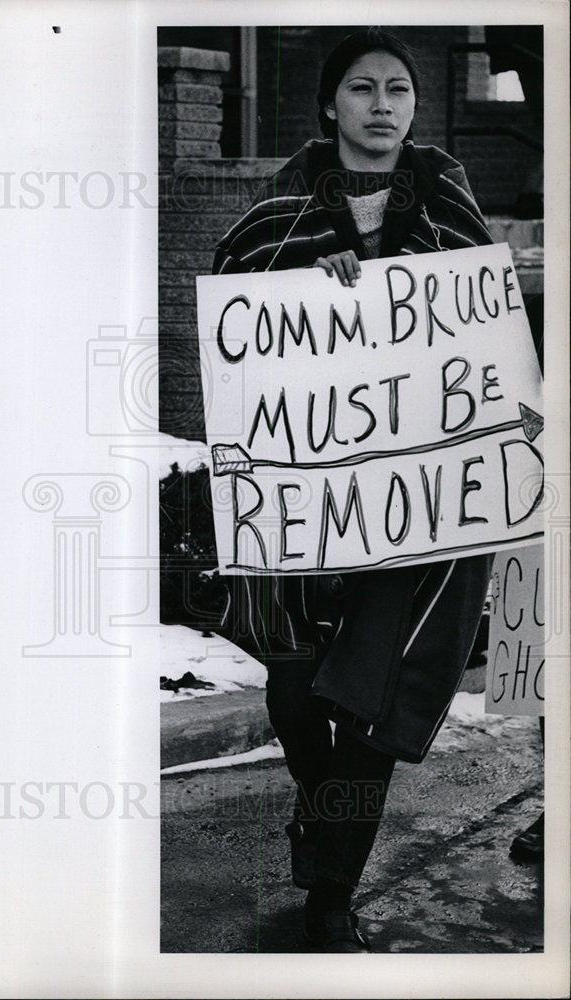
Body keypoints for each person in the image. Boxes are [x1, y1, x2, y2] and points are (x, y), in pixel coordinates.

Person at [212, 28, 495, 952]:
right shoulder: (279, 210)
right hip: (305, 499)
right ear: (330, 104)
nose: (383, 105)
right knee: (298, 697)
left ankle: (332, 890)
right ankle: (315, 808)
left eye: (400, 90)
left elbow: (480, 330)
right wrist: (309, 288)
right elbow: (236, 324)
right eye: (364, 89)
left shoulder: (447, 195)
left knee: (372, 695)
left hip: (409, 503)